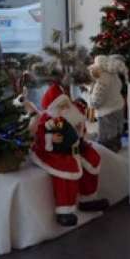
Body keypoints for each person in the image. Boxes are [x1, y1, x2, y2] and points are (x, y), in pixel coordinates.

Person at [29, 82, 108, 226]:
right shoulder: (48, 119)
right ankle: (64, 211)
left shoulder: (74, 113)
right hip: (56, 152)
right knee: (65, 175)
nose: (65, 108)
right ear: (53, 107)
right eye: (61, 106)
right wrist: (50, 138)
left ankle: (88, 199)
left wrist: (80, 132)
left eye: (66, 104)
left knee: (91, 164)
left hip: (76, 148)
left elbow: (81, 130)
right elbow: (39, 136)